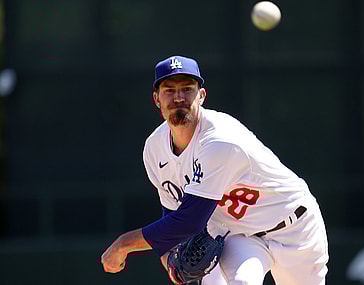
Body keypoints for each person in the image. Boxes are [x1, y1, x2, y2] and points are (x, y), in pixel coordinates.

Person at [101, 55, 329, 285]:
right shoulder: (154, 148)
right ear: (156, 99)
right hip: (240, 236)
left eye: (187, 89)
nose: (178, 97)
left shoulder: (220, 140)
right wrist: (170, 260)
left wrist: (124, 244)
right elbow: (172, 215)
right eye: (169, 90)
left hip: (295, 228)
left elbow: (189, 221)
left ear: (201, 96)